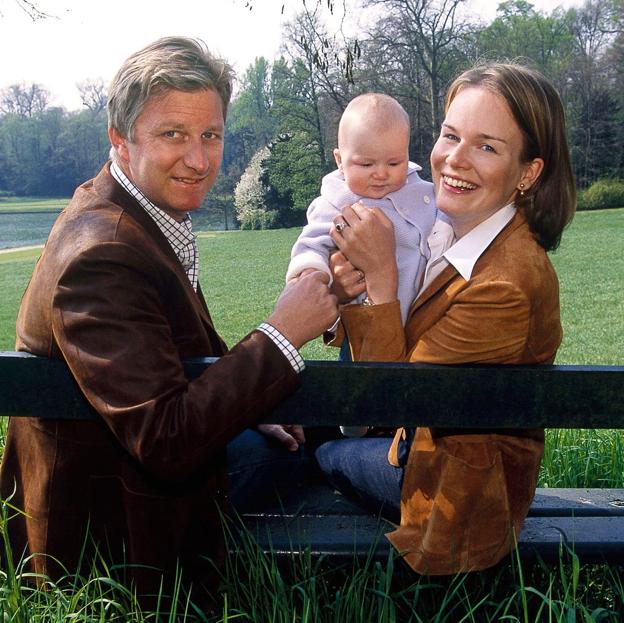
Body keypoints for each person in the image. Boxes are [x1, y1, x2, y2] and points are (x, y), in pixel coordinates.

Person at [0, 37, 338, 603]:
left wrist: (251, 412)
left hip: (130, 482)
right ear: (121, 141)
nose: (200, 159)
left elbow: (171, 361)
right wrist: (282, 333)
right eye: (173, 135)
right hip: (111, 541)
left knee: (316, 427)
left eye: (211, 135)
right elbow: (166, 441)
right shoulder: (101, 255)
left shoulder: (134, 212)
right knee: (330, 448)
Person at [315, 62, 576, 575]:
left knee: (317, 449)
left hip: (450, 491)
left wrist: (382, 277)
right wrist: (349, 293)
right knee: (298, 424)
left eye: (487, 146)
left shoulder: (505, 284)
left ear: (529, 172)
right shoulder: (450, 231)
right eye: (450, 135)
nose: (453, 160)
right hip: (418, 447)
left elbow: (392, 402)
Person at [287, 93, 436, 328]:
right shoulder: (334, 202)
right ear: (339, 160)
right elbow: (310, 246)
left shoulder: (424, 193)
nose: (380, 173)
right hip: (362, 328)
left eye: (394, 163)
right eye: (366, 164)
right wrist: (311, 275)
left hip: (423, 322)